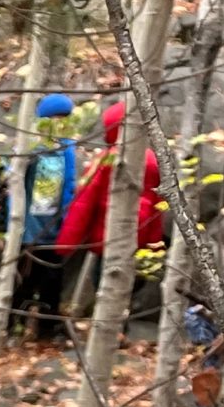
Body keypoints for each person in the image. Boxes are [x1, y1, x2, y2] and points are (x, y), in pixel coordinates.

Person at [57, 97, 167, 315]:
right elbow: (158, 207)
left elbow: (83, 203)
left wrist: (65, 244)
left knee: (105, 281)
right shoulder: (153, 161)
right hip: (139, 237)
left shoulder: (107, 160)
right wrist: (154, 245)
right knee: (129, 281)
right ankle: (121, 322)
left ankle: (107, 323)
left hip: (108, 236)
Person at [6, 91, 82, 341]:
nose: (59, 123)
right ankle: (13, 326)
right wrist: (11, 226)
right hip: (28, 230)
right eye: (54, 118)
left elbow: (70, 185)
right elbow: (10, 182)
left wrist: (69, 221)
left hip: (55, 230)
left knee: (52, 281)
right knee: (24, 280)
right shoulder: (29, 146)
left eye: (64, 118)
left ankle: (47, 330)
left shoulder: (67, 148)